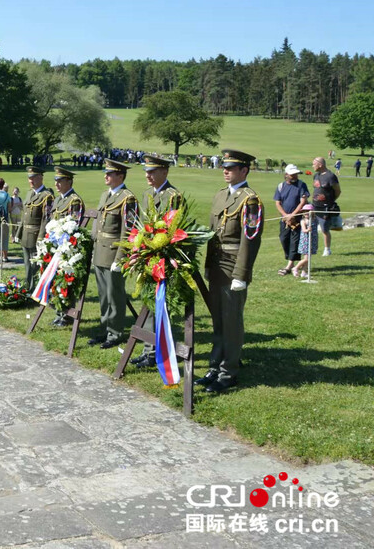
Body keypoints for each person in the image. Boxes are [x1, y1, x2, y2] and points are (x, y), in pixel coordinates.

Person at [197, 149, 263, 394]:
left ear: (244, 170)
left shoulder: (250, 200)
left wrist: (241, 275)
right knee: (218, 320)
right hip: (216, 264)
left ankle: (229, 372)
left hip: (234, 265)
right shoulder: (220, 195)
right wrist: (206, 264)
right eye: (224, 166)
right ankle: (215, 366)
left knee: (232, 321)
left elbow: (250, 239)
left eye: (231, 167)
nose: (225, 170)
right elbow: (212, 235)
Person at [131, 155, 183, 367]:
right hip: (149, 258)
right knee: (149, 303)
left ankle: (157, 351)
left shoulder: (173, 196)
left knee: (162, 306)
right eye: (146, 171)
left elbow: (174, 228)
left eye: (152, 171)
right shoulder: (147, 195)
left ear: (165, 172)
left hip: (164, 259)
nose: (148, 175)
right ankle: (148, 350)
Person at [89, 160, 138, 349]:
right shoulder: (105, 196)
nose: (105, 176)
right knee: (103, 295)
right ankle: (104, 329)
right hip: (100, 251)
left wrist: (121, 258)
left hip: (113, 253)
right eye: (106, 173)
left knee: (114, 294)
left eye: (110, 174)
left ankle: (115, 332)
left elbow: (129, 231)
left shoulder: (128, 198)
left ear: (120, 176)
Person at [13, 167, 55, 289]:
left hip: (36, 235)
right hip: (26, 235)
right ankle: (28, 288)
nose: (30, 181)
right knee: (27, 265)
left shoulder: (47, 196)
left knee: (35, 266)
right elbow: (25, 215)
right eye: (29, 178)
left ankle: (35, 289)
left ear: (40, 178)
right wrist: (19, 233)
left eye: (33, 178)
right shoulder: (30, 193)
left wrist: (40, 238)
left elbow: (46, 219)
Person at [273, 164, 309, 275]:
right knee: (284, 238)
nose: (294, 176)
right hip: (284, 220)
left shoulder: (302, 185)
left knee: (294, 241)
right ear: (286, 175)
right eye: (292, 174)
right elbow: (278, 202)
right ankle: (290, 262)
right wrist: (285, 215)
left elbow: (303, 202)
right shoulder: (280, 186)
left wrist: (292, 215)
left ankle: (289, 265)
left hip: (297, 220)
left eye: (296, 174)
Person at [311, 157, 341, 256]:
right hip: (314, 206)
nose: (312, 166)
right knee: (311, 228)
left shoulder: (331, 176)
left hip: (325, 208)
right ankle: (311, 249)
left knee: (324, 229)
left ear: (320, 164)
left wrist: (330, 201)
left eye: (314, 164)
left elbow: (337, 191)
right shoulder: (316, 176)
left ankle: (327, 249)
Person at [292, 204, 319, 277]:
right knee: (307, 258)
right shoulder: (303, 221)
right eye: (305, 211)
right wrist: (308, 230)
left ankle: (304, 272)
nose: (306, 212)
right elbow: (304, 230)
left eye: (308, 211)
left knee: (308, 258)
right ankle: (296, 268)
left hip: (312, 240)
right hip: (306, 241)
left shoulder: (315, 219)